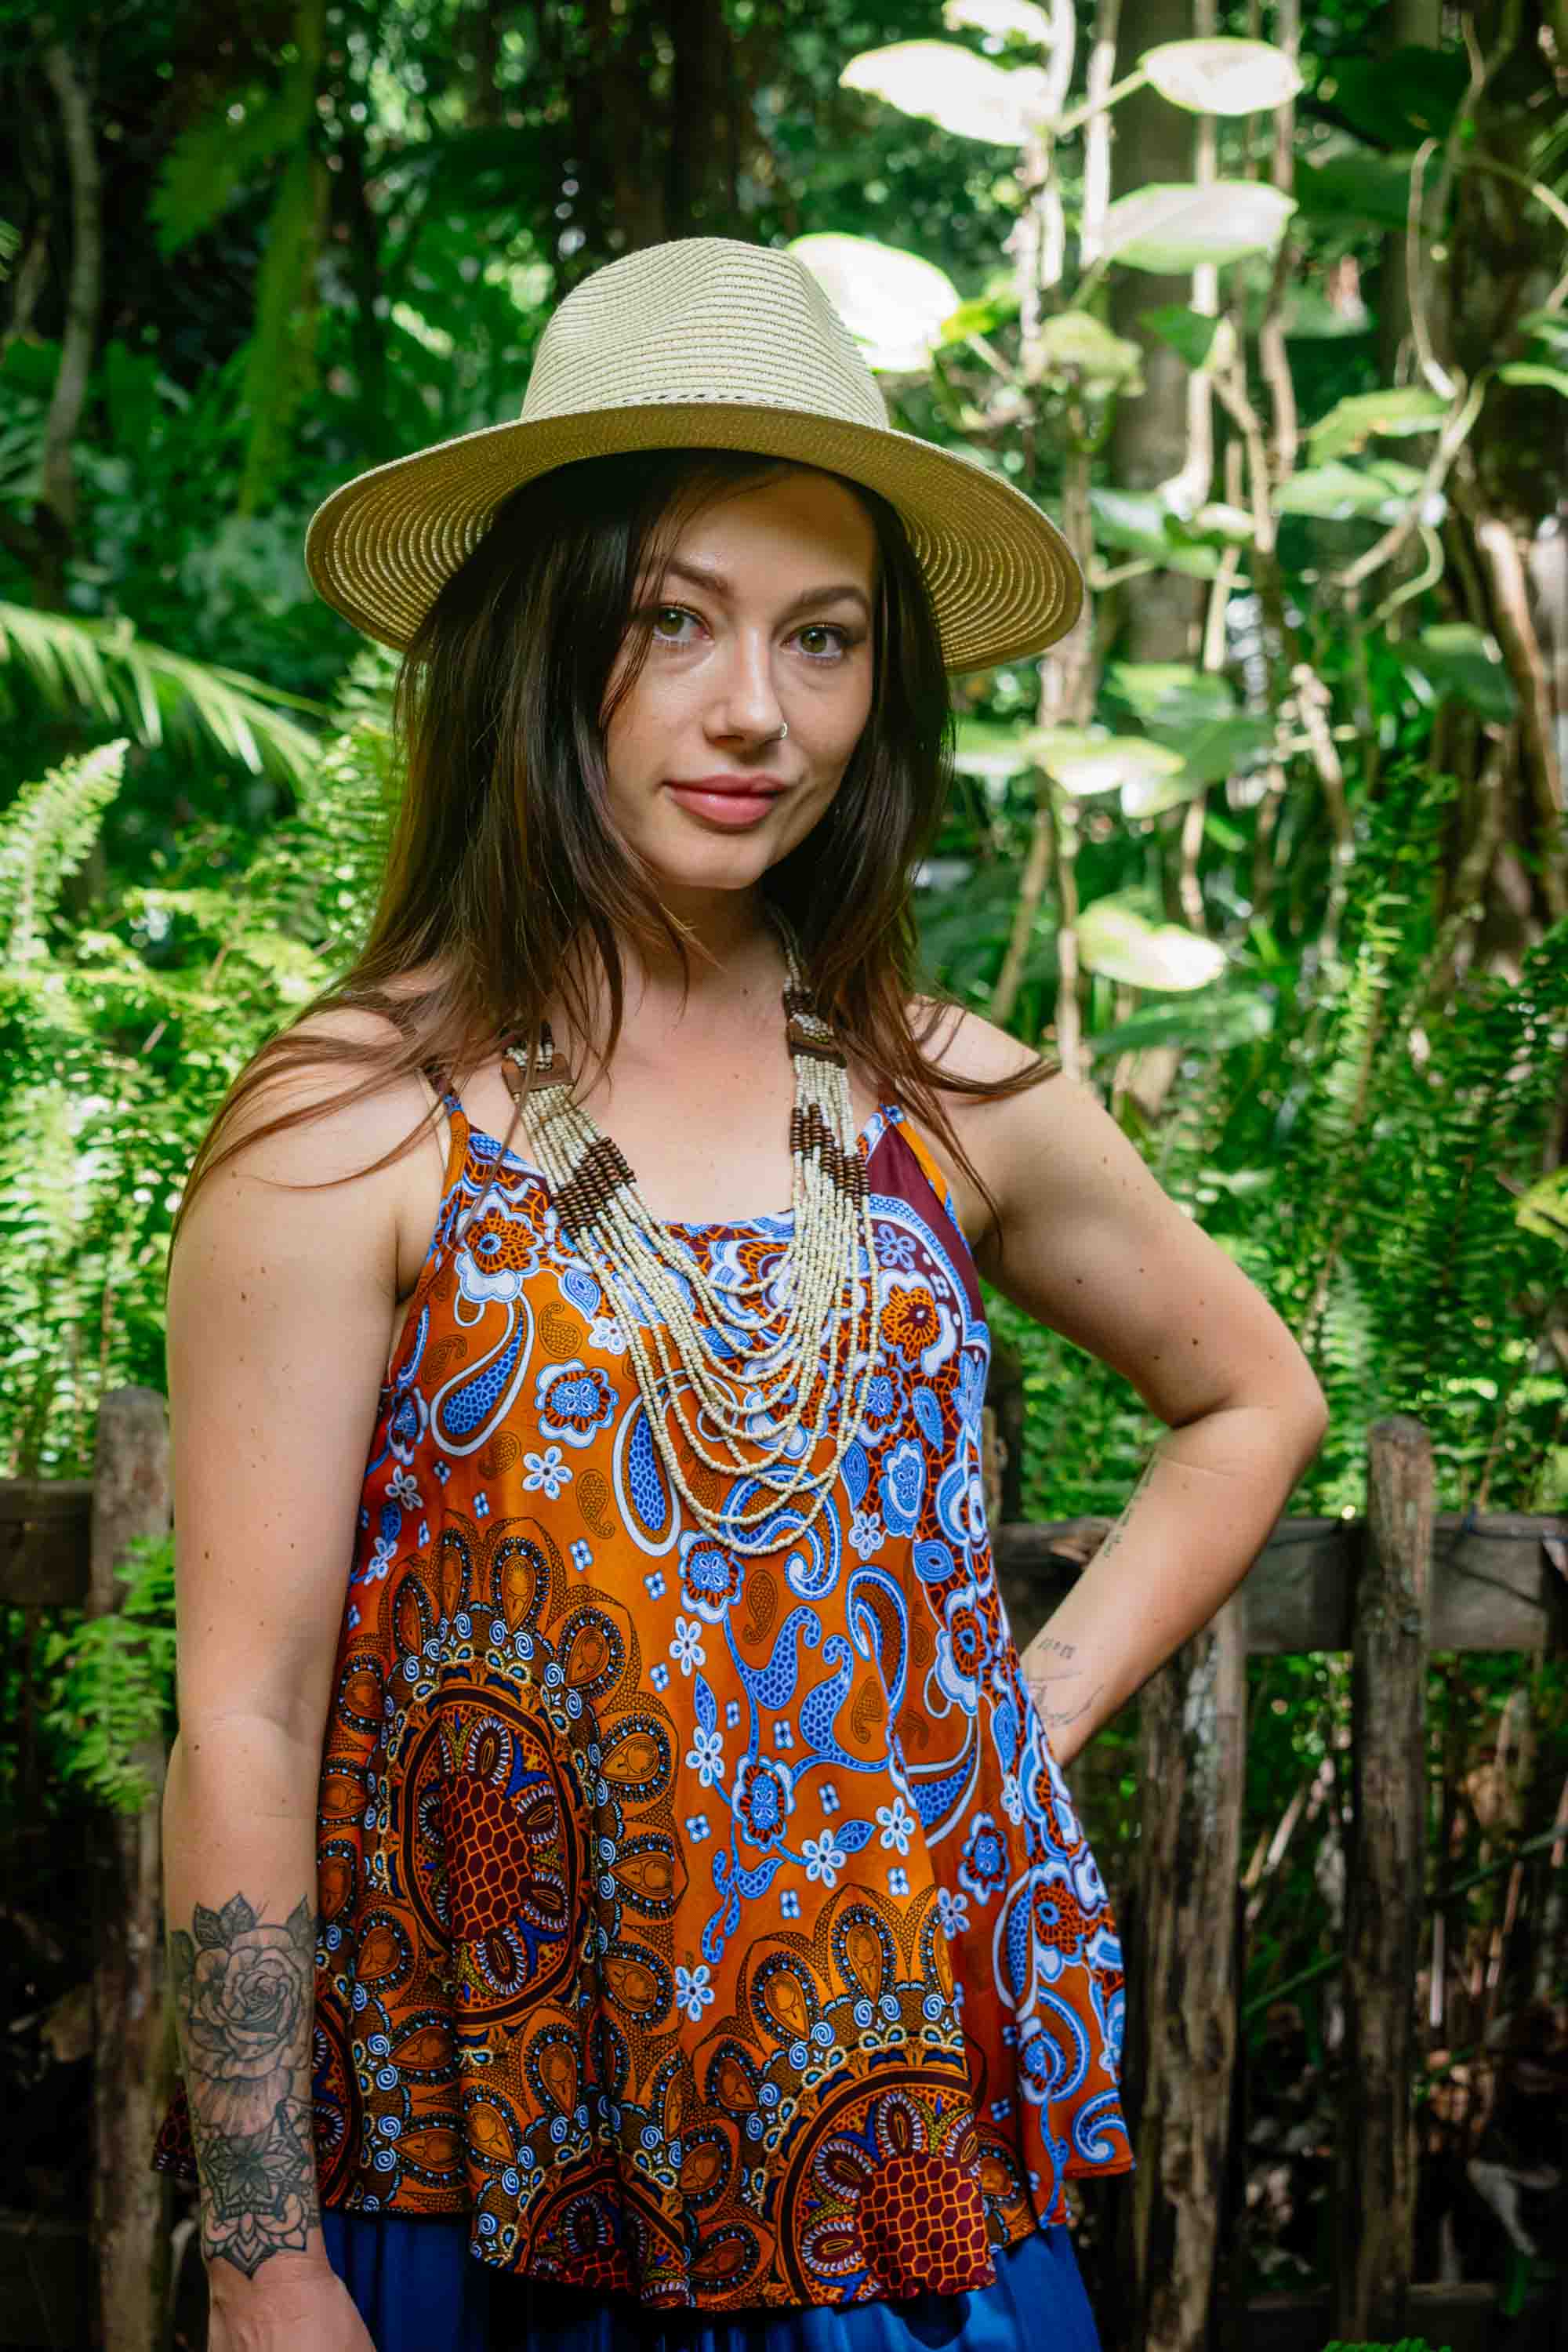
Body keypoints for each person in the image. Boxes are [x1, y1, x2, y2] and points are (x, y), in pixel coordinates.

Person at [151, 236, 1328, 2352]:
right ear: (541, 638)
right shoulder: (356, 1123)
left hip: (903, 2193)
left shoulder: (937, 1093)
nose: (756, 712)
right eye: (672, 619)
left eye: (825, 638)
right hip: (493, 2191)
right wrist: (261, 2259)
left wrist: (1016, 1719)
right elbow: (244, 1714)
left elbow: (1254, 1398)